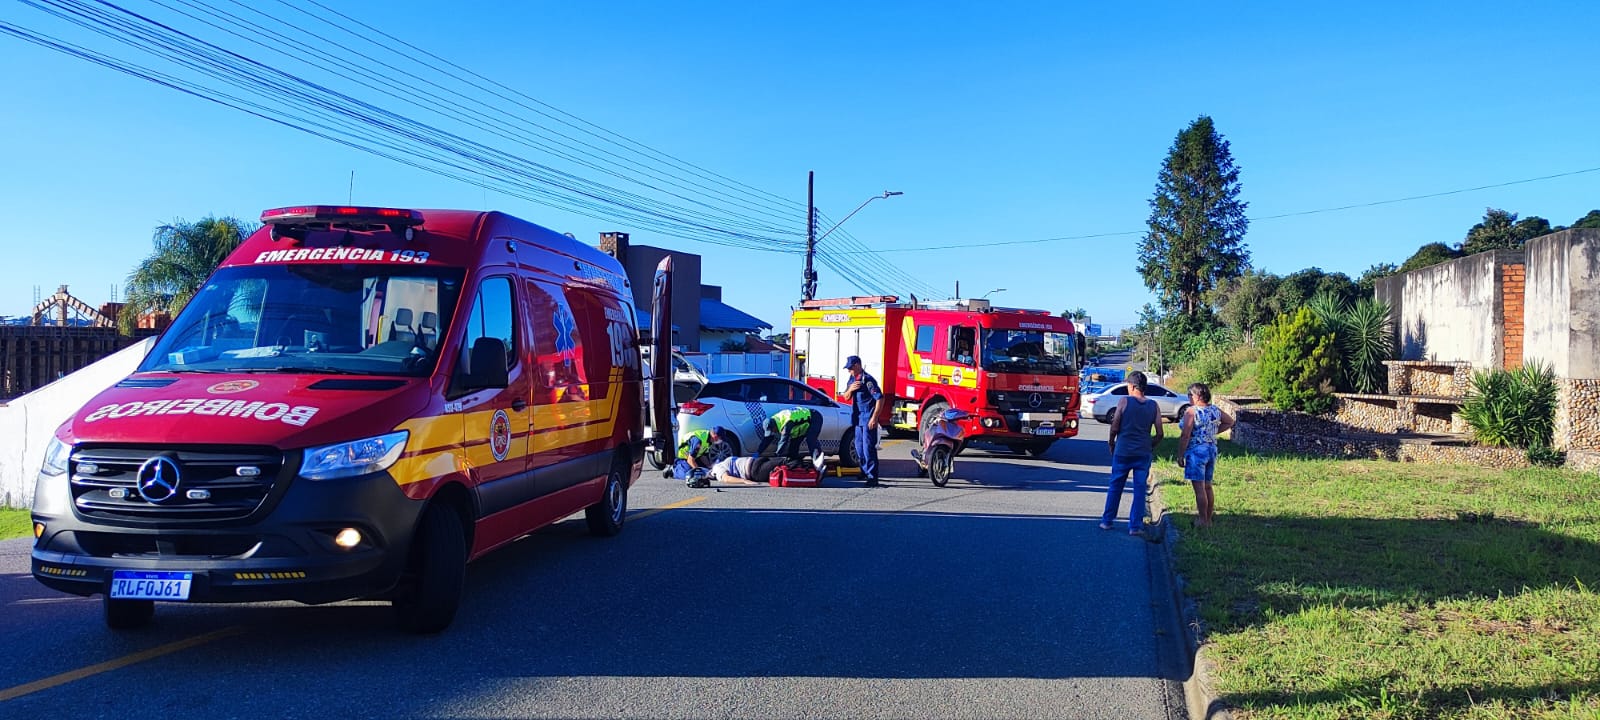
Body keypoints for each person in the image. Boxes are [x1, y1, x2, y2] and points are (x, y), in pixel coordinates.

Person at [1099, 370, 1165, 536]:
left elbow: (1115, 426)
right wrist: (1151, 446)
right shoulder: (1153, 405)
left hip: (1123, 451)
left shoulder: (1124, 402)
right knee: (1139, 489)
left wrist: (1111, 443)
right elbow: (1160, 433)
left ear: (1133, 386)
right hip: (1143, 453)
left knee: (1116, 485)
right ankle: (1134, 526)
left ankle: (1107, 521)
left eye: (1128, 385)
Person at [1174, 382, 1234, 528]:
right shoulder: (1214, 409)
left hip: (1196, 451)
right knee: (1208, 486)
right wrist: (1212, 432)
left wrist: (1180, 454)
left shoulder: (1192, 411)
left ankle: (1202, 520)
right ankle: (1208, 519)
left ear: (1197, 396)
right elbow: (1230, 421)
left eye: (1190, 394)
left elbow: (1185, 434)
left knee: (1199, 488)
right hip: (1211, 449)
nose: (1188, 397)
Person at [843, 355, 886, 487]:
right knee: (859, 448)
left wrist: (874, 417)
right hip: (857, 418)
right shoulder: (852, 380)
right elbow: (846, 397)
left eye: (850, 368)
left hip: (867, 418)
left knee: (868, 448)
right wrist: (850, 389)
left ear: (857, 365)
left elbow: (880, 398)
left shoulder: (867, 380)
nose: (849, 371)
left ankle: (873, 477)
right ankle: (864, 471)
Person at [758, 406, 823, 466]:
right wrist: (758, 453)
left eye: (772, 431)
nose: (773, 433)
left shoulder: (785, 423)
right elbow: (768, 439)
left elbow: (783, 441)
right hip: (802, 425)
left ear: (774, 427)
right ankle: (794, 465)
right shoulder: (774, 420)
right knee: (793, 448)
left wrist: (777, 457)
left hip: (814, 417)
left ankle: (817, 461)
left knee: (811, 440)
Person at [710, 455, 778, 485]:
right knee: (784, 462)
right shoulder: (716, 469)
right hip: (754, 470)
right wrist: (744, 481)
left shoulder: (722, 463)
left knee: (783, 464)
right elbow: (726, 478)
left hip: (756, 462)